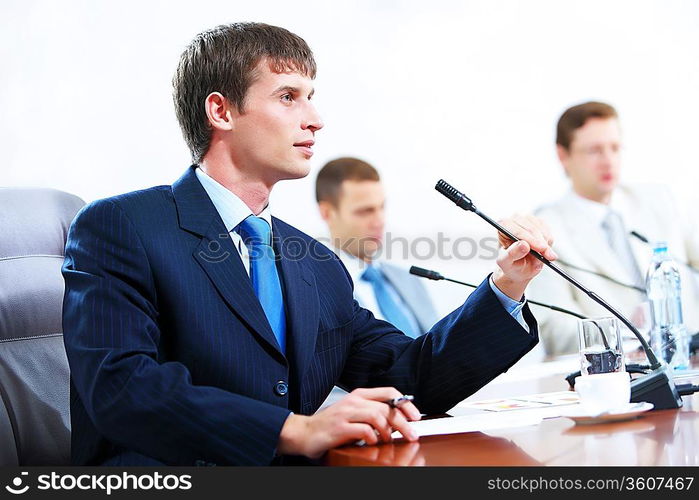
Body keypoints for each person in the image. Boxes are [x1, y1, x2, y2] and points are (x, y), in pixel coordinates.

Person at [62, 22, 555, 466]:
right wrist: (295, 429)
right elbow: (121, 387)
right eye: (288, 96)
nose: (315, 118)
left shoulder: (314, 262)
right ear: (221, 110)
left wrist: (507, 284)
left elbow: (411, 377)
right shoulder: (122, 225)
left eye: (311, 96)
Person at [529, 101, 699, 356]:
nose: (608, 161)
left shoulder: (660, 200)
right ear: (563, 155)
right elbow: (554, 333)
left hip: (688, 365)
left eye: (615, 148)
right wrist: (624, 330)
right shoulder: (546, 228)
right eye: (594, 151)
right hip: (613, 377)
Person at [315, 157, 438, 338]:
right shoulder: (317, 291)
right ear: (327, 213)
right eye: (365, 211)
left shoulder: (409, 279)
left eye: (382, 207)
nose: (379, 221)